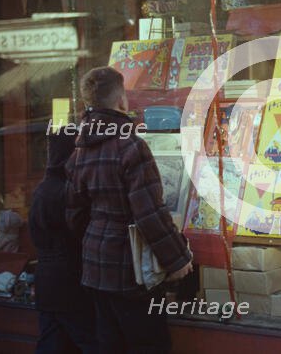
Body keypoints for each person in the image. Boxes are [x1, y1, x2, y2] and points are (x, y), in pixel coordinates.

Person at [65, 67, 193, 354]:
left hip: (95, 266)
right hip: (130, 270)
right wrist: (177, 260)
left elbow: (74, 215)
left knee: (109, 344)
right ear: (122, 101)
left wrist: (96, 241)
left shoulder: (80, 150)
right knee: (149, 344)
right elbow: (149, 214)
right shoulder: (131, 146)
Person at [29, 131, 98, 353]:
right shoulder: (66, 190)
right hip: (69, 280)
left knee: (51, 342)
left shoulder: (43, 189)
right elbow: (79, 232)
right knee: (90, 342)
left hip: (48, 281)